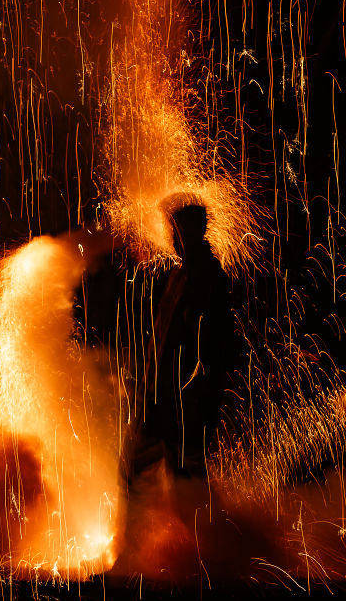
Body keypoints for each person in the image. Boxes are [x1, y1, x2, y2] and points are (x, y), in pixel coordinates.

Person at [124, 194, 234, 486]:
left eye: (175, 230)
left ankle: (206, 528)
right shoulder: (180, 275)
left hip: (182, 405)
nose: (170, 237)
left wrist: (188, 403)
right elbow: (164, 337)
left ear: (188, 232)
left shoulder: (209, 279)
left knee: (179, 473)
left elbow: (210, 350)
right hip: (162, 398)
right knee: (160, 473)